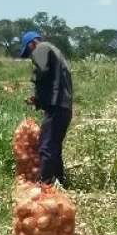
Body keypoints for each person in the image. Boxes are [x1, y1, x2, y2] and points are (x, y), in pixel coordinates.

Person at [19, 31, 73, 187]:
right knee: (53, 146)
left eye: (28, 51)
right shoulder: (54, 51)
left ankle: (43, 185)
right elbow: (53, 81)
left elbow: (42, 70)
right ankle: (58, 182)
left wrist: (34, 80)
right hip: (63, 106)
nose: (31, 55)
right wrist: (37, 99)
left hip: (57, 107)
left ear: (32, 43)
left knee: (46, 146)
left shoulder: (41, 47)